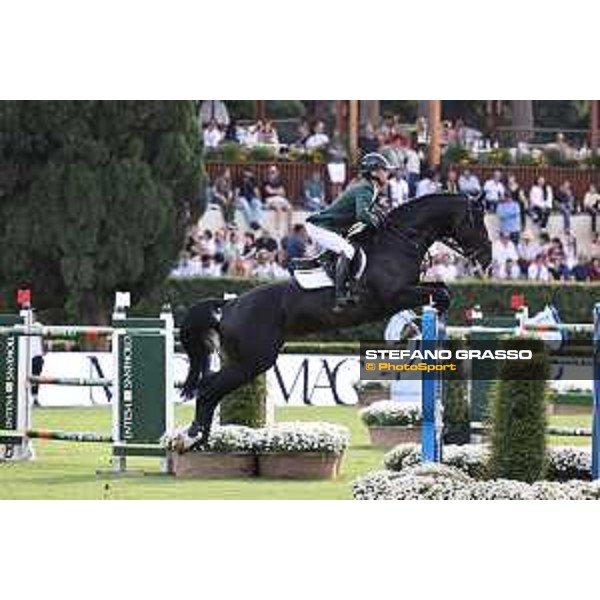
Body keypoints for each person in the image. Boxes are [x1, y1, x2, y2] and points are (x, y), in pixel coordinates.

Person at [305, 152, 394, 311]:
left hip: (330, 227)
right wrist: (379, 223)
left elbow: (371, 212)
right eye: (384, 170)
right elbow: (362, 215)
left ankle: (338, 272)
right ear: (374, 173)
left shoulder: (370, 189)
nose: (388, 173)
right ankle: (339, 296)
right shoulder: (365, 188)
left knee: (352, 246)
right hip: (320, 226)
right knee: (348, 250)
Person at [262, 165, 292, 236]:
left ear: (277, 172)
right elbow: (269, 191)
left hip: (280, 198)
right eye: (271, 172)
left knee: (290, 208)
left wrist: (275, 191)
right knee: (278, 208)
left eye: (274, 172)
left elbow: (283, 192)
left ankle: (289, 227)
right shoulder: (266, 181)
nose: (272, 173)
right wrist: (278, 191)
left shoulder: (280, 181)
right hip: (270, 199)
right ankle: (277, 229)